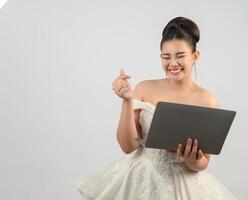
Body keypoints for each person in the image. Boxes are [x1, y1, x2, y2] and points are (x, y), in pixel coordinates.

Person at [74, 16, 237, 200]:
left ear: (195, 57)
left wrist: (192, 158)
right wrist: (127, 100)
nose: (172, 63)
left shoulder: (207, 99)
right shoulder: (144, 88)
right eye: (166, 57)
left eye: (180, 56)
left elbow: (203, 163)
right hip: (142, 179)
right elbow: (128, 146)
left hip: (184, 185)